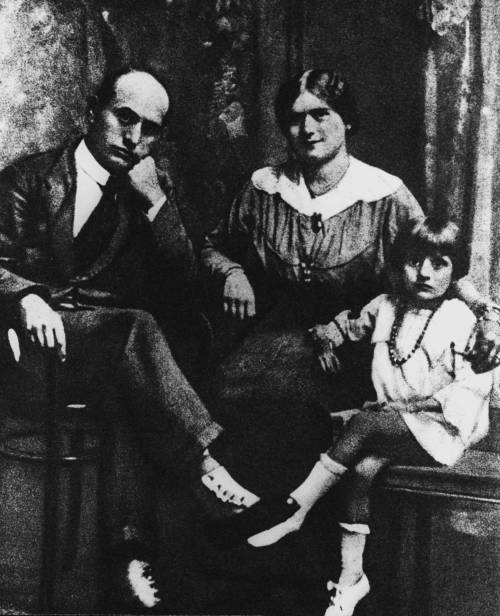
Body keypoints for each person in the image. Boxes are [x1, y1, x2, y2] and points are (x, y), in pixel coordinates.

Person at [0, 65, 257, 611]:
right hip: (22, 349)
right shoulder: (30, 178)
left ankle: (130, 552)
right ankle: (206, 470)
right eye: (123, 117)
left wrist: (156, 203)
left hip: (95, 352)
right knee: (134, 328)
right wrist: (26, 297)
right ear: (91, 111)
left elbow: (184, 282)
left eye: (150, 128)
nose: (134, 136)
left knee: (129, 379)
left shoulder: (145, 188)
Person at [201, 68, 499, 505]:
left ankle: (283, 518)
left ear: (347, 120)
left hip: (356, 344)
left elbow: (439, 263)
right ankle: (236, 513)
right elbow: (212, 246)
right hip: (275, 331)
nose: (307, 129)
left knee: (293, 402)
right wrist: (232, 272)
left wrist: (488, 315)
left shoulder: (384, 194)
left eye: (320, 114)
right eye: (294, 118)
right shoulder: (263, 188)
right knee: (225, 388)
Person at [245, 216, 493, 616]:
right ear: (399, 264)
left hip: (441, 429)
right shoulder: (386, 306)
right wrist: (327, 337)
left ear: (455, 270)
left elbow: (471, 389)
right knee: (360, 471)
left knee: (362, 423)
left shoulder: (461, 318)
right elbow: (349, 326)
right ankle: (351, 579)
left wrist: (408, 408)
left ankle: (295, 507)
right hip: (390, 425)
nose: (424, 273)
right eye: (414, 261)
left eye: (439, 263)